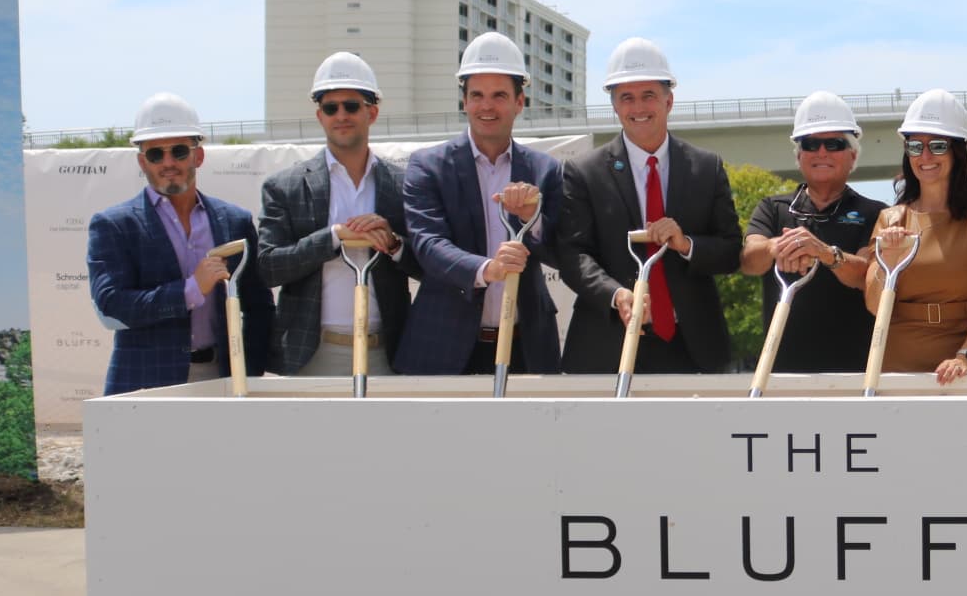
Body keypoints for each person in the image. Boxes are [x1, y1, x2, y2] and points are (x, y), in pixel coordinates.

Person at [557, 37, 742, 374]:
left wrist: (687, 244)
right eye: (627, 97)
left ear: (669, 101)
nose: (638, 108)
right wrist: (616, 296)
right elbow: (572, 255)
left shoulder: (706, 168)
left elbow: (731, 250)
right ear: (614, 105)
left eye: (649, 96)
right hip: (607, 345)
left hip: (692, 348)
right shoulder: (584, 173)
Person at [395, 32, 563, 376]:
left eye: (499, 95)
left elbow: (564, 250)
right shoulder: (428, 167)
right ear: (465, 102)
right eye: (477, 95)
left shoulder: (545, 170)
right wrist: (489, 269)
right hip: (444, 347)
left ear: (520, 102)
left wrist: (534, 218)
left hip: (526, 347)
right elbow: (428, 245)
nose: (487, 106)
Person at [87, 93, 274, 394]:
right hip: (143, 383)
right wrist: (191, 289)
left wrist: (248, 372)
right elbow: (112, 306)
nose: (168, 163)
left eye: (178, 151)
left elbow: (259, 306)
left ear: (198, 156)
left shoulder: (234, 221)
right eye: (155, 154)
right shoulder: (114, 225)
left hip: (221, 378)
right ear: (142, 162)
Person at [256, 53, 419, 377]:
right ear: (320, 115)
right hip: (312, 354)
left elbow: (429, 266)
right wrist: (332, 238)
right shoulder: (284, 187)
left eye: (352, 105)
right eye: (331, 107)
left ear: (372, 112)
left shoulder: (403, 185)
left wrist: (394, 244)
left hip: (387, 353)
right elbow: (268, 268)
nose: (341, 115)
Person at [864, 89, 967, 384]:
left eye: (938, 146)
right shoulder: (890, 219)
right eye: (915, 146)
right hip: (897, 363)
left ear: (958, 151)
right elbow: (874, 306)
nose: (925, 156)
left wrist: (965, 356)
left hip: (966, 366)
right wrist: (887, 261)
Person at [739, 91, 885, 372]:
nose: (822, 152)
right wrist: (775, 248)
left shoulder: (876, 213)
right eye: (811, 144)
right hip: (781, 371)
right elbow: (748, 260)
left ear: (853, 156)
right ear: (798, 156)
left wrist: (824, 253)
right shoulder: (773, 208)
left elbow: (868, 277)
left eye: (834, 144)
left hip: (854, 371)